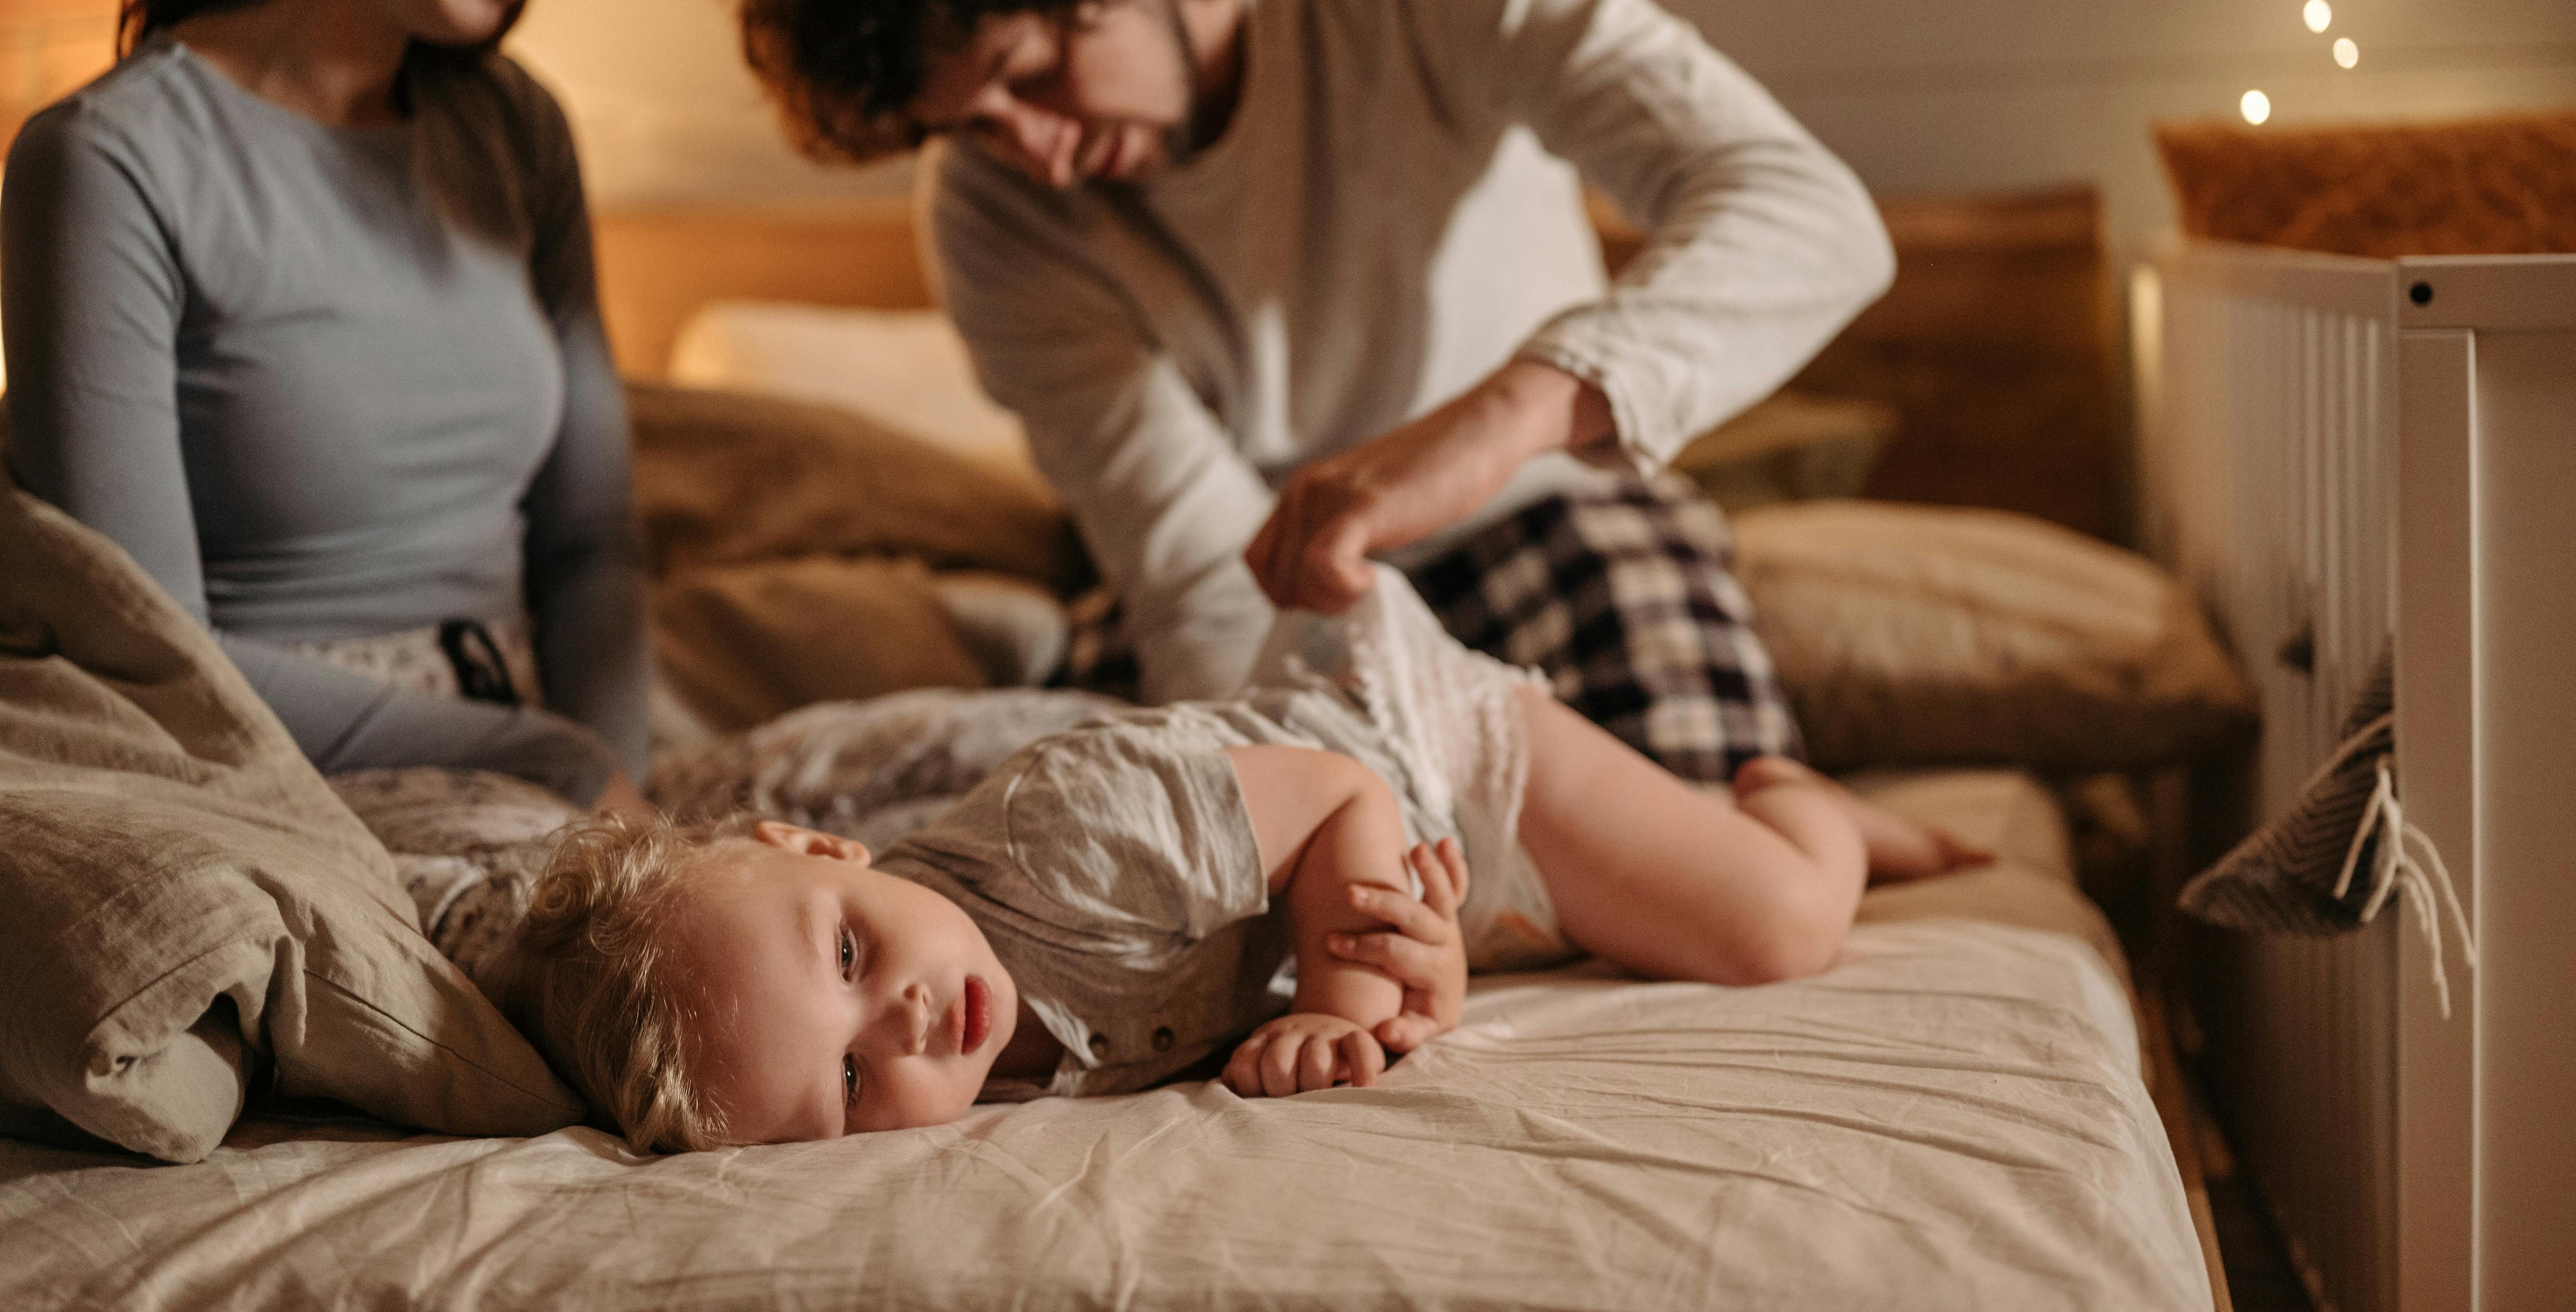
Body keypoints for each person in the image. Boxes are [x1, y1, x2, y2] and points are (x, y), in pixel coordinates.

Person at [731, 0, 1897, 783]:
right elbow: (1197, 574)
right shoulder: (993, 217)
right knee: (1158, 865)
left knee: (1709, 854)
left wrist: (1493, 425)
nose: (1032, 152)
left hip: (1553, 515)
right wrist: (1312, 824)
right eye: (972, 123)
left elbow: (1810, 215)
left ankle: (1843, 835)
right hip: (1266, 585)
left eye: (1030, 71)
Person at [506, 572, 1985, 1150]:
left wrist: (1354, 992)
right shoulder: (967, 1082)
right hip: (1356, 876)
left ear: (820, 841)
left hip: (1423, 743)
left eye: (844, 952)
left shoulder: (1071, 839)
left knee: (1775, 926)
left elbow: (1343, 793)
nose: (894, 1022)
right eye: (841, 1085)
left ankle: (1815, 806)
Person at [1, 0, 649, 810]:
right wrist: (547, 765)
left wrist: (630, 802)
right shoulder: (108, 160)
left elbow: (592, 544)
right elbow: (145, 654)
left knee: (1063, 787)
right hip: (296, 781)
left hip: (563, 764)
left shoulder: (520, 132)